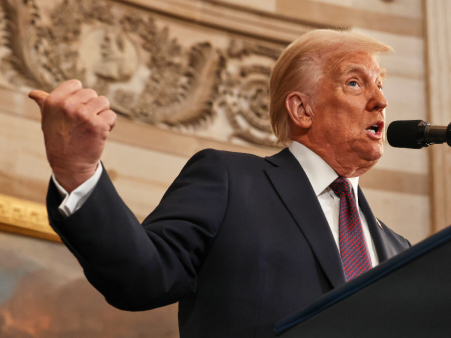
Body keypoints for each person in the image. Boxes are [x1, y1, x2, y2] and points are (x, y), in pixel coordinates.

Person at [29, 29, 410, 337]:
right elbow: (141, 276)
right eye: (356, 83)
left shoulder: (398, 249)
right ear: (302, 109)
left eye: (380, 85)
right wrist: (78, 170)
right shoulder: (231, 182)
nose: (380, 101)